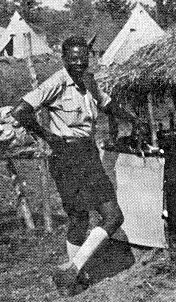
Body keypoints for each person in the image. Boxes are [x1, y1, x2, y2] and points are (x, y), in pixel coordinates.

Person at [11, 36, 145, 296]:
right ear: (64, 59)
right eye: (73, 60)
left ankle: (72, 268)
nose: (79, 64)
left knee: (113, 216)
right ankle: (75, 277)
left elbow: (107, 104)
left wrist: (133, 119)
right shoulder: (57, 82)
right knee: (79, 217)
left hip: (87, 152)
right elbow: (21, 111)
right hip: (66, 155)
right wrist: (47, 136)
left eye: (83, 59)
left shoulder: (89, 81)